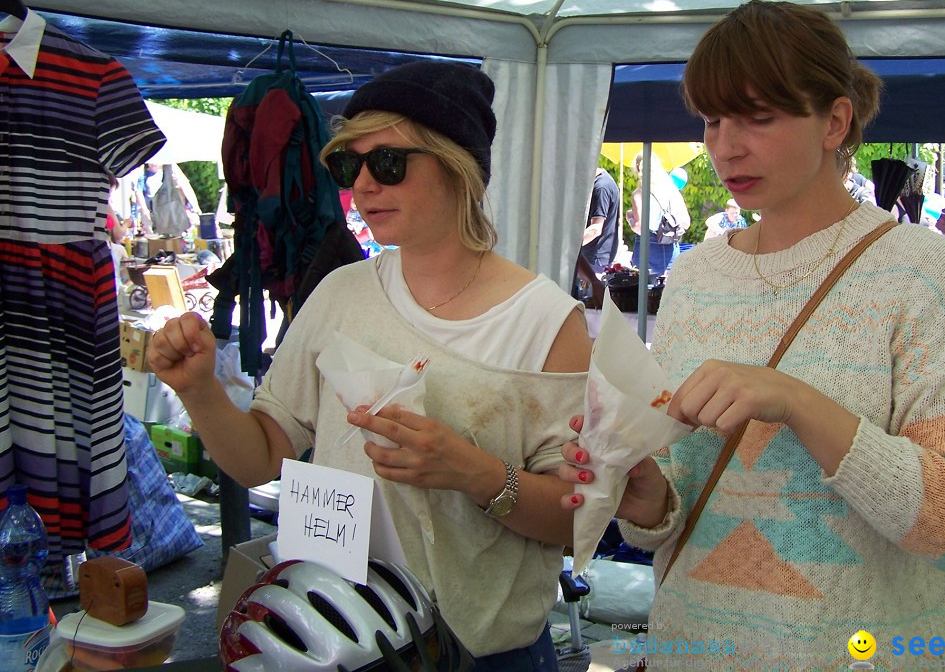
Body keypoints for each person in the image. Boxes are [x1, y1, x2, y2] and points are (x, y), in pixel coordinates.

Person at [561, 0, 945, 669]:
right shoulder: (696, 276)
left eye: (757, 117)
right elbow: (676, 501)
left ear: (835, 120)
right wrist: (644, 494)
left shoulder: (917, 270)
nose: (724, 145)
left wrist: (798, 402)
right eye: (712, 120)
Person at [148, 61, 591, 671]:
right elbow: (261, 456)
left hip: (483, 650)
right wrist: (200, 390)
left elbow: (578, 519)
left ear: (460, 168)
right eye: (347, 165)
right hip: (338, 634)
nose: (364, 187)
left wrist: (474, 472)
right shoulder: (340, 294)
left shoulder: (547, 322)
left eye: (387, 162)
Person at [626, 153, 691, 276]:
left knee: (643, 291)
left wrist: (629, 217)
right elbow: (686, 222)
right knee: (669, 290)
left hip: (647, 248)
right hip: (671, 247)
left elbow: (640, 229)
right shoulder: (672, 190)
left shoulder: (639, 194)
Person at [580, 167, 620, 272]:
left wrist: (571, 247)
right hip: (596, 257)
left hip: (595, 259)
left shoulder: (601, 188)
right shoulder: (603, 182)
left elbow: (596, 229)